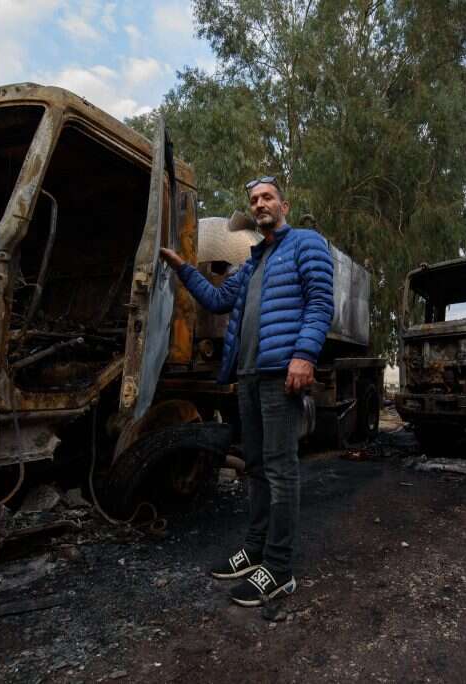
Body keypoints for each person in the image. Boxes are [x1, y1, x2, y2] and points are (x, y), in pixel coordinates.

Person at [159, 176, 334, 606]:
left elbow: (320, 302)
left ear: (284, 205)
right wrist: (182, 267)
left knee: (280, 469)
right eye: (254, 200)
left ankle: (278, 568)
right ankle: (255, 549)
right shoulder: (253, 263)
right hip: (250, 375)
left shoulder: (306, 244)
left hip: (281, 373)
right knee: (254, 467)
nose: (260, 204)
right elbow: (217, 300)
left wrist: (304, 355)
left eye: (267, 197)